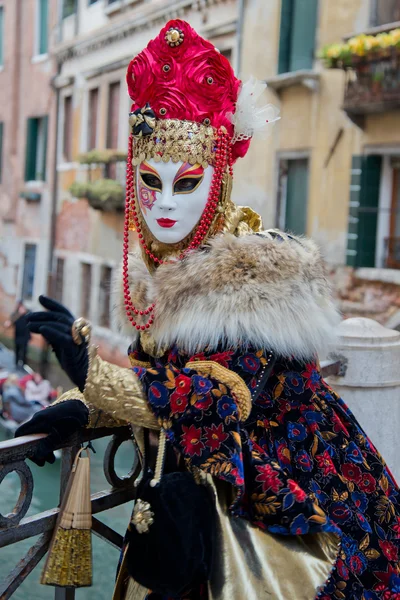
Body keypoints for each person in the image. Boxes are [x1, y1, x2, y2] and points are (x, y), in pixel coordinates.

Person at [15, 20, 400, 600]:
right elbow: (162, 384)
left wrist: (94, 374)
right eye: (150, 181)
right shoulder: (168, 272)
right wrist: (83, 406)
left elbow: (220, 397)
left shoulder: (253, 278)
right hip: (186, 510)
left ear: (216, 181)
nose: (165, 204)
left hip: (271, 517)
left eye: (186, 182)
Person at [4, 300, 31, 368]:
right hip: (17, 336)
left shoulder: (27, 312)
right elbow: (10, 323)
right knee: (17, 350)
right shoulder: (15, 314)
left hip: (25, 336)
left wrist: (24, 312)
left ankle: (24, 365)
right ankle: (16, 365)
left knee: (24, 351)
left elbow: (31, 317)